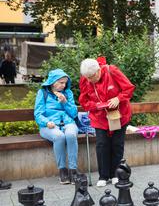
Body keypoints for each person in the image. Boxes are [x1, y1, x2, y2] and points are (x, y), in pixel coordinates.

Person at [79, 57, 135, 187]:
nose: (89, 80)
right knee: (102, 144)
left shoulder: (112, 71)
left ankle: (115, 174)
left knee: (117, 143)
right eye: (87, 77)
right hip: (99, 117)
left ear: (98, 71)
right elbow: (84, 101)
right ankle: (103, 176)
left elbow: (129, 88)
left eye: (91, 77)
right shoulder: (86, 79)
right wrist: (95, 105)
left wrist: (118, 98)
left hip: (119, 115)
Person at [34, 69, 79, 184]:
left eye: (65, 83)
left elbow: (74, 113)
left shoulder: (68, 93)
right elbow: (38, 114)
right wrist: (46, 122)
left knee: (70, 135)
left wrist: (65, 102)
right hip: (49, 125)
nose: (64, 85)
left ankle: (73, 170)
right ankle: (62, 171)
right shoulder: (43, 93)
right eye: (61, 82)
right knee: (59, 136)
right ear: (53, 82)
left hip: (68, 122)